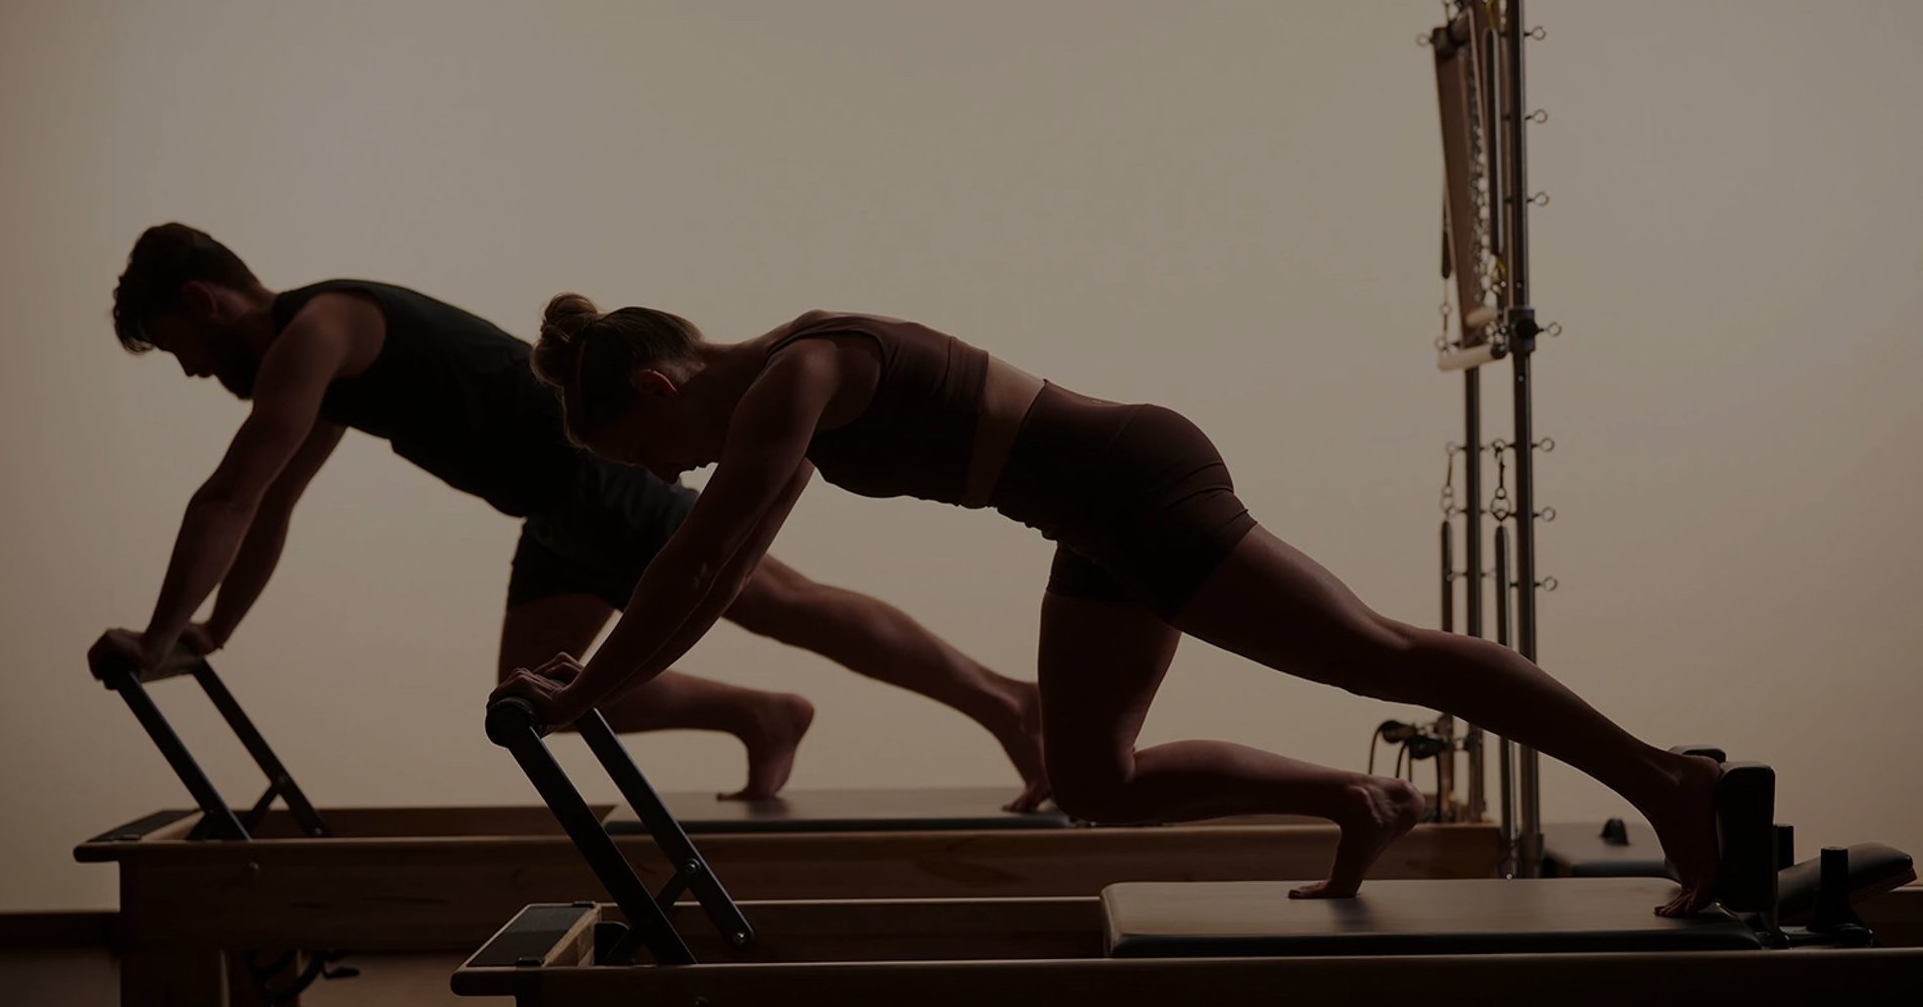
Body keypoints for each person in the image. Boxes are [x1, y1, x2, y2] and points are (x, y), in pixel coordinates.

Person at [492, 296, 1725, 913]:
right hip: (1088, 520)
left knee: (1377, 654)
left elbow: (703, 562)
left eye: (646, 452)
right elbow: (716, 560)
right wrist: (592, 682)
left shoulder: (797, 373)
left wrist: (588, 689)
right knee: (1094, 781)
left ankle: (1668, 783)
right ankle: (1357, 796)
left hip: (1137, 483)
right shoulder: (783, 388)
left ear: (662, 383)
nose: (661, 477)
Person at [86, 225, 1047, 806]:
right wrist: (214, 628)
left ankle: (1006, 701)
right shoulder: (319, 357)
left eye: (180, 348)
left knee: (778, 601)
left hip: (588, 472)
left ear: (203, 301)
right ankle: (763, 713)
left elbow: (232, 492)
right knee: (537, 690)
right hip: (550, 507)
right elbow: (274, 503)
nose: (193, 371)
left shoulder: (318, 327)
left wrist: (157, 631)